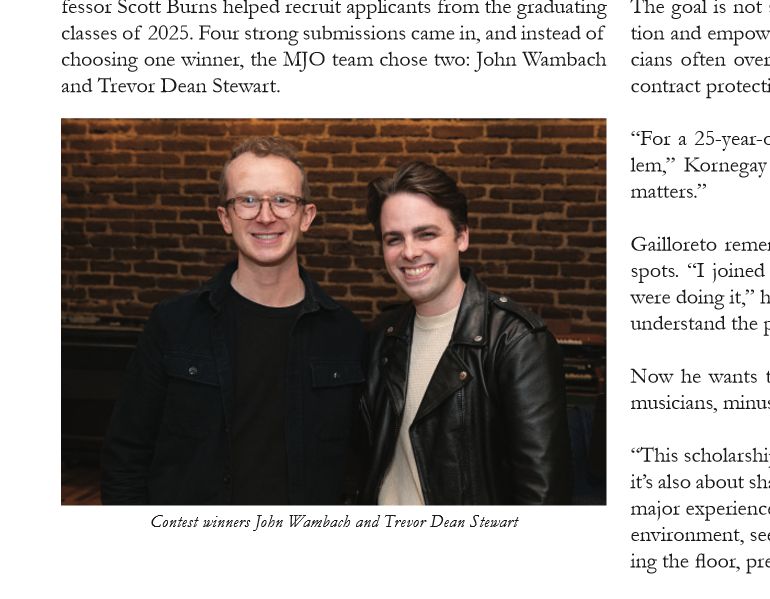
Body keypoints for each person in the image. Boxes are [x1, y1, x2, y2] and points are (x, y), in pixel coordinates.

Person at [99, 136, 365, 504]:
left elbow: (367, 463)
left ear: (306, 217)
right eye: (248, 200)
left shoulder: (346, 334)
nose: (266, 216)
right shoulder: (172, 324)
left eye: (283, 200)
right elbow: (125, 459)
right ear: (225, 218)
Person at [360, 161, 572, 505]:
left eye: (426, 234)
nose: (410, 251)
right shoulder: (382, 335)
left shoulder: (516, 341)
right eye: (394, 239)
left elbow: (543, 495)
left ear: (462, 236)